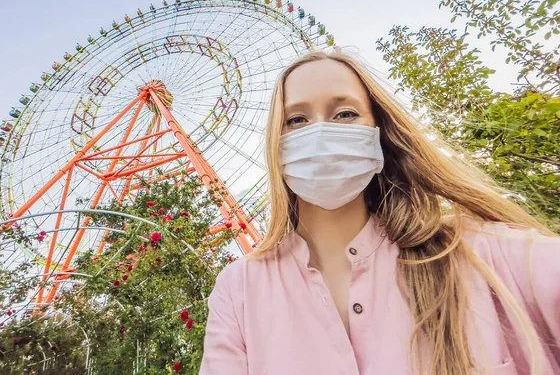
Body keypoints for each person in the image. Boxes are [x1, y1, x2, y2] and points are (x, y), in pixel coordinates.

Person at [199, 50, 560, 375]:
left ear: (378, 134)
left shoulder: (482, 256)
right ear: (276, 145)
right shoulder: (239, 291)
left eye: (345, 113)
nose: (322, 133)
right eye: (296, 120)